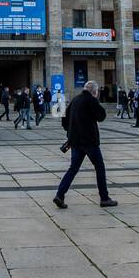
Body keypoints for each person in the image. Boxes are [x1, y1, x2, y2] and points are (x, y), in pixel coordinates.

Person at [53, 81, 117, 209]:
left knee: (73, 169)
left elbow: (64, 119)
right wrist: (96, 102)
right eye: (97, 92)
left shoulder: (76, 99)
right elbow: (101, 116)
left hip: (75, 141)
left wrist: (70, 132)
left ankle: (60, 195)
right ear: (94, 91)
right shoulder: (91, 100)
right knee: (99, 167)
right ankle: (104, 198)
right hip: (89, 142)